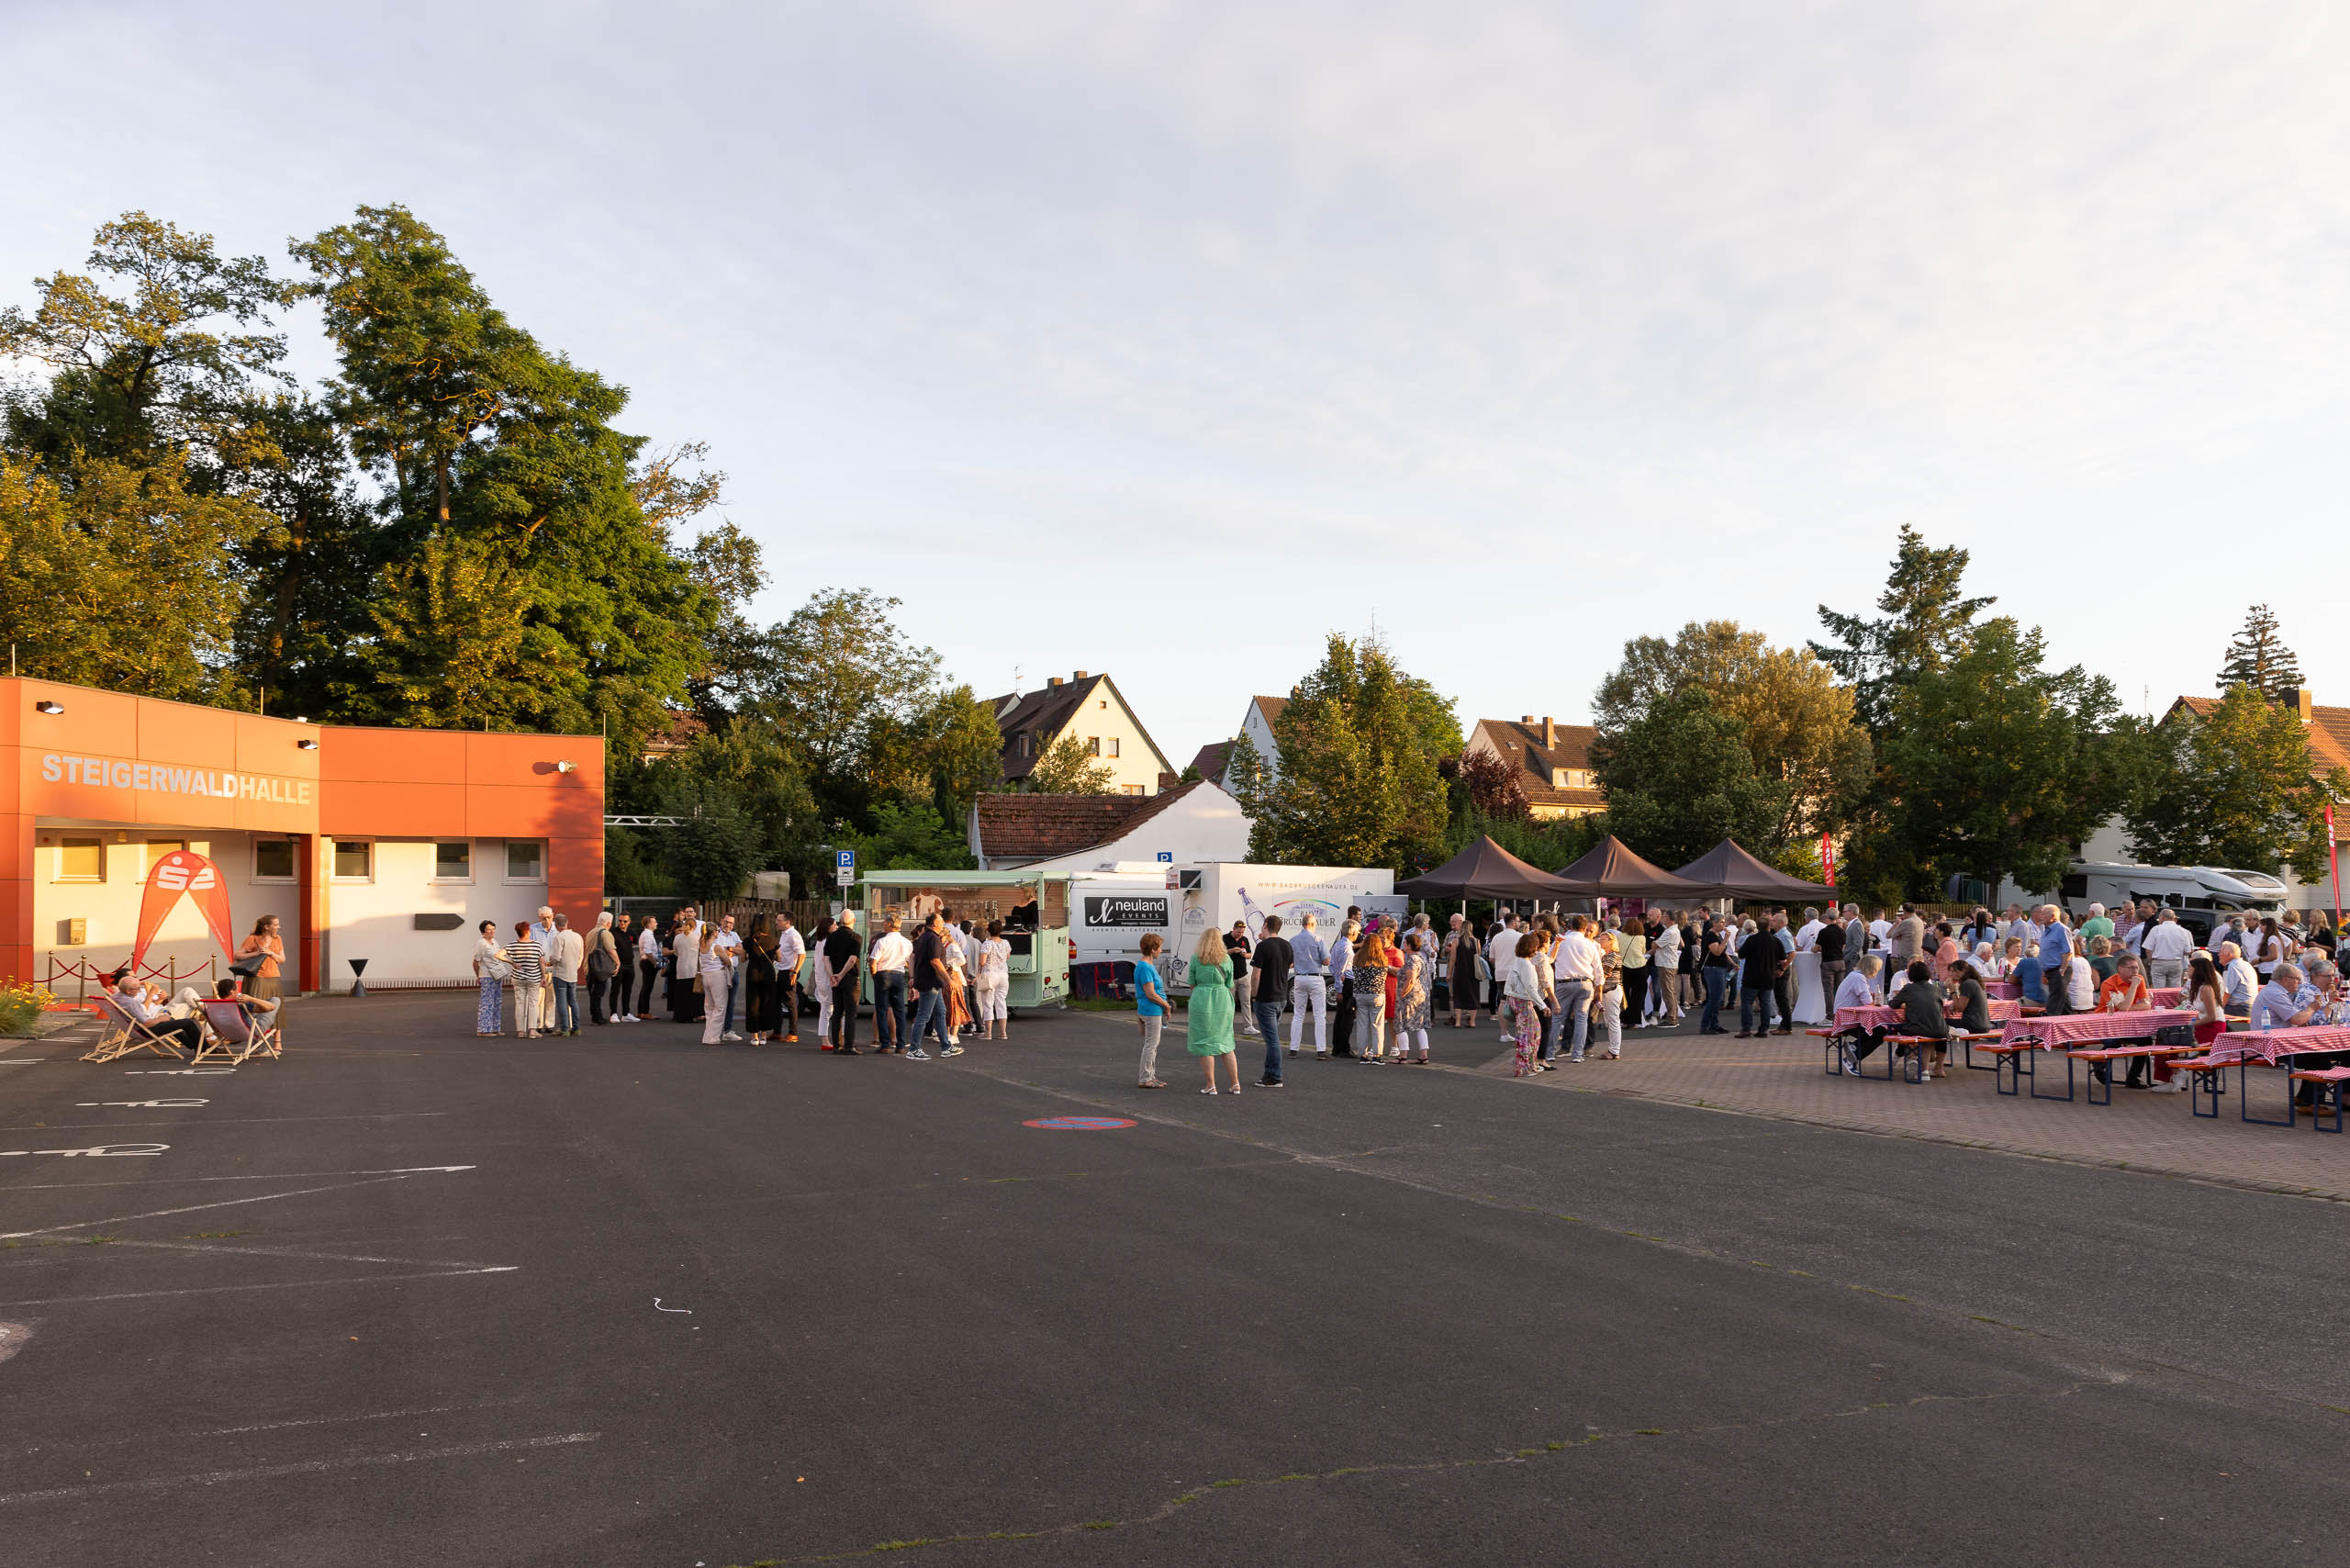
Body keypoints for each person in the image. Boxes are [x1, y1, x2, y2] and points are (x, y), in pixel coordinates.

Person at [1187, 926, 1242, 1093]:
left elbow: (1192, 983)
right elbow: (1230, 984)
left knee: (1205, 1043)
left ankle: (1211, 1085)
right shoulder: (1226, 959)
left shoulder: (1197, 958)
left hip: (1202, 999)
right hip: (1222, 999)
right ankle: (1235, 1083)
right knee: (1226, 1042)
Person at [905, 913, 959, 1060]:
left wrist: (913, 978)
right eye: (941, 921)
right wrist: (949, 980)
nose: (943, 923)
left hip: (929, 981)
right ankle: (914, 1049)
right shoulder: (933, 939)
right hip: (930, 982)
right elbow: (935, 961)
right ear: (935, 923)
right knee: (923, 1015)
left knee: (941, 1012)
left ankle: (946, 1047)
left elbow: (913, 957)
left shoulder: (923, 937)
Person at [112, 972, 206, 1056]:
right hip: (146, 1030)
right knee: (188, 1022)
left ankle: (194, 1046)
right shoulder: (131, 1002)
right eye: (137, 988)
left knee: (173, 1021)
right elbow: (146, 1023)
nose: (139, 990)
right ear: (128, 991)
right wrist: (161, 1019)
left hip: (134, 1029)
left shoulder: (117, 997)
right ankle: (205, 1048)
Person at [1249, 914, 1293, 1087]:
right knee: (1272, 1037)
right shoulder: (1287, 945)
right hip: (1281, 996)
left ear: (1266, 925)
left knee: (1272, 1040)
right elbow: (1290, 965)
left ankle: (1275, 1076)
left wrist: (1254, 995)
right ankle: (1269, 1073)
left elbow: (1256, 974)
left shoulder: (1263, 947)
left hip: (1266, 997)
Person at [1889, 960, 1952, 1079]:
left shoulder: (1909, 988)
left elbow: (1893, 1004)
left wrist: (1906, 1003)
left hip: (1918, 1028)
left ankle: (1911, 1058)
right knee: (1927, 1038)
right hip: (1940, 1029)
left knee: (1902, 1029)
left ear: (1911, 975)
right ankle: (1924, 1071)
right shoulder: (1935, 988)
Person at [1830, 955, 1887, 1076]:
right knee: (1880, 1033)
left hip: (1845, 1016)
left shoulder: (1854, 976)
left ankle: (1854, 1047)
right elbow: (1867, 1002)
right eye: (1876, 970)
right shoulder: (1859, 978)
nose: (1876, 973)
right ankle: (1853, 1057)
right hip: (1847, 1019)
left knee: (1877, 1031)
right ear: (1870, 968)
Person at [1504, 923, 1547, 1078]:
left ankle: (1520, 1065)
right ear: (1533, 948)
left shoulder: (1517, 961)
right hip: (1524, 1002)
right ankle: (1529, 1066)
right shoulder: (1527, 965)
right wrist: (1543, 1006)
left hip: (1515, 1000)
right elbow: (1530, 987)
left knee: (1523, 1034)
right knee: (1533, 1034)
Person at [868, 914, 913, 1053]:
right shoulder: (907, 943)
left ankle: (885, 1044)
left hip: (883, 974)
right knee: (899, 1011)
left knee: (882, 1010)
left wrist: (874, 975)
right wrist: (911, 977)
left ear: (889, 924)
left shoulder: (882, 941)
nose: (883, 923)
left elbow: (873, 962)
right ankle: (900, 1044)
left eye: (885, 922)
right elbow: (908, 962)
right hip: (899, 975)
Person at [1289, 913, 1330, 1058]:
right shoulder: (1319, 939)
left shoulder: (1293, 940)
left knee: (1298, 1014)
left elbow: (1290, 963)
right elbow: (1326, 961)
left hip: (1299, 977)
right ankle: (1321, 1050)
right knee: (1319, 1015)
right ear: (1312, 924)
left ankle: (1293, 1049)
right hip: (1315, 978)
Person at [822, 912, 864, 1054]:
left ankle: (836, 1045)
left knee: (837, 1012)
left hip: (835, 979)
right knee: (851, 1012)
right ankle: (849, 1046)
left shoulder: (831, 937)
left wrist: (832, 976)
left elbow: (826, 959)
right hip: (850, 978)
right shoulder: (856, 937)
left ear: (840, 921)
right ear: (853, 920)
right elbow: (852, 959)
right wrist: (841, 975)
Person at [1737, 919, 1785, 1038]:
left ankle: (1746, 1029)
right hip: (1768, 976)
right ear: (1770, 926)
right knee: (1765, 1004)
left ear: (1757, 926)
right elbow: (1783, 959)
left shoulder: (1751, 939)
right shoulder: (1775, 940)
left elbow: (1741, 954)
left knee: (1747, 1003)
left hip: (1751, 976)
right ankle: (1763, 1029)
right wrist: (1779, 969)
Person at [1135, 933, 1170, 1090]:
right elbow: (1150, 993)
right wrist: (1166, 1006)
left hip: (1152, 1009)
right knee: (1151, 1044)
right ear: (1153, 949)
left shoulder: (1146, 966)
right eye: (1160, 948)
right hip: (1151, 1010)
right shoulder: (1144, 967)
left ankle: (1150, 1076)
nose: (1161, 951)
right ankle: (1145, 1078)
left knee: (1153, 1044)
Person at [1394, 928, 1433, 1063]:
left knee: (1401, 1024)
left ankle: (1403, 1055)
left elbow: (1410, 979)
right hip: (1422, 994)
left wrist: (1402, 993)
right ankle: (1424, 1054)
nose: (1403, 945)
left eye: (1405, 943)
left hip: (1410, 996)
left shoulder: (1411, 960)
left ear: (1410, 945)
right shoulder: (1421, 958)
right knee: (1419, 1025)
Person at [743, 915, 781, 1046]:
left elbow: (743, 958)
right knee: (767, 1003)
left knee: (753, 1003)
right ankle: (764, 1036)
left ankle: (755, 1037)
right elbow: (780, 958)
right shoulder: (773, 940)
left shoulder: (748, 941)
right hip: (768, 974)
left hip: (753, 972)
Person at [505, 921, 547, 1037]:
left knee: (519, 1004)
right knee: (533, 1004)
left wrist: (511, 962)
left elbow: (498, 955)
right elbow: (542, 963)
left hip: (518, 978)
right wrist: (543, 977)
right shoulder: (537, 945)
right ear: (528, 931)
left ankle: (520, 1031)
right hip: (533, 978)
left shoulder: (512, 945)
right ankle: (532, 1031)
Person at [696, 922, 735, 1045]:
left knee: (709, 1007)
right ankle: (713, 1038)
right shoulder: (716, 946)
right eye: (718, 930)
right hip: (717, 976)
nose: (719, 932)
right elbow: (728, 961)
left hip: (705, 976)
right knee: (720, 1007)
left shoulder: (701, 945)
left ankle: (707, 1036)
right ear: (713, 932)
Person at [470, 918, 510, 1036]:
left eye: (493, 929)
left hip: (497, 974)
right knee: (487, 1002)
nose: (492, 932)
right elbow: (475, 961)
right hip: (486, 975)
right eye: (489, 930)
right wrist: (478, 976)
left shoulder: (495, 942)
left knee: (497, 1001)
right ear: (483, 931)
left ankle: (495, 1027)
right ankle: (483, 1030)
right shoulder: (481, 944)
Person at [973, 920, 1012, 1040]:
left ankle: (988, 1033)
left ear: (988, 930)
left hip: (990, 975)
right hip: (1003, 975)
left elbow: (983, 961)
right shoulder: (1006, 942)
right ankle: (1003, 1033)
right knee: (1001, 1002)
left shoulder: (987, 944)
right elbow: (1007, 956)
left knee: (988, 1003)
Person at [547, 913, 584, 1036]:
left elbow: (556, 957)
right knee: (573, 1001)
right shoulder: (578, 936)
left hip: (560, 973)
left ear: (556, 925)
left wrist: (550, 960)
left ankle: (564, 1028)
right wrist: (575, 967)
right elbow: (580, 956)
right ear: (567, 922)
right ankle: (577, 1027)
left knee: (561, 1001)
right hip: (572, 973)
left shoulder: (559, 937)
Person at [1486, 913, 1522, 1040]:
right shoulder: (1520, 937)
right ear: (1513, 922)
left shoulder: (1496, 937)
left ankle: (1503, 1033)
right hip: (1516, 973)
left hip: (1500, 972)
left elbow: (1491, 958)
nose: (1519, 923)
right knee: (1519, 1002)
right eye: (1518, 921)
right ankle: (1521, 1032)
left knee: (1503, 1001)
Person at [2140, 909, 2193, 990]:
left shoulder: (2156, 929)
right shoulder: (2183, 931)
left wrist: (2151, 962)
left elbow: (2148, 950)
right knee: (2174, 989)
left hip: (2159, 962)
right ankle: (2172, 1002)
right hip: (2176, 962)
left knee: (2159, 989)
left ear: (2163, 917)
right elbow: (2188, 951)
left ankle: (2160, 1002)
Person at [238, 914, 286, 1002]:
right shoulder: (252, 938)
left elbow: (282, 959)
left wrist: (271, 953)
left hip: (274, 977)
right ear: (266, 927)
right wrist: (256, 953)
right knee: (257, 1006)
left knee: (274, 1007)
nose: (279, 927)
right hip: (257, 977)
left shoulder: (277, 939)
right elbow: (237, 956)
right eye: (275, 925)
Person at [774, 913, 805, 1044]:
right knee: (776, 1002)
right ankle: (777, 1032)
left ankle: (793, 1033)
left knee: (790, 1002)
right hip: (782, 971)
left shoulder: (794, 935)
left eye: (779, 920)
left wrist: (795, 972)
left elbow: (801, 954)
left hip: (789, 972)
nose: (776, 923)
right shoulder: (784, 934)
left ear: (787, 922)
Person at [1445, 913, 1479, 1028]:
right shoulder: (1476, 941)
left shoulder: (1456, 941)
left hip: (1460, 972)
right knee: (1473, 995)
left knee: (1458, 995)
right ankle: (1472, 1021)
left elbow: (1452, 959)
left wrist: (1449, 973)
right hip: (1473, 973)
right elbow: (1478, 957)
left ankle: (1458, 1021)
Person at [1617, 916, 1649, 1034]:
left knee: (1623, 994)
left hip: (1624, 968)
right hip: (1640, 968)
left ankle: (1624, 1020)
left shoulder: (1619, 936)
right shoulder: (1642, 938)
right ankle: (1634, 1022)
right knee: (1638, 995)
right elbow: (1643, 952)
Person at [588, 913, 621, 1025]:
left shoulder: (590, 932)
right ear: (608, 923)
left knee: (593, 993)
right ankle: (598, 1017)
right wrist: (618, 963)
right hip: (600, 967)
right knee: (598, 992)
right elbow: (611, 950)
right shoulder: (605, 933)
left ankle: (595, 1015)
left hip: (589, 966)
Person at [1226, 920, 1258, 1036]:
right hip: (1230, 977)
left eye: (1242, 932)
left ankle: (1248, 1026)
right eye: (1238, 932)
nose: (1240, 934)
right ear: (1233, 929)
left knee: (1246, 1002)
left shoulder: (1245, 940)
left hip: (1243, 975)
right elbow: (1219, 953)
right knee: (1230, 1003)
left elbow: (1250, 955)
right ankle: (1228, 1026)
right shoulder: (1225, 938)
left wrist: (1245, 954)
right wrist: (1231, 951)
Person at [668, 909, 700, 1024]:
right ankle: (692, 1015)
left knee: (681, 994)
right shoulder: (697, 937)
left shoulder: (677, 938)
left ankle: (680, 1015)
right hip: (692, 969)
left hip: (681, 969)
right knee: (692, 995)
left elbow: (676, 952)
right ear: (694, 927)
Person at [632, 914, 662, 1022]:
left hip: (646, 962)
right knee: (647, 988)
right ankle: (644, 1012)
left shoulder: (646, 934)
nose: (656, 923)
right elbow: (648, 951)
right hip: (648, 963)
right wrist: (655, 963)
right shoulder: (648, 935)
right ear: (649, 924)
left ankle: (641, 1011)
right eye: (654, 922)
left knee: (645, 988)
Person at [1815, 913, 1848, 1008]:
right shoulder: (1842, 931)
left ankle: (1829, 1016)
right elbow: (1843, 947)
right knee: (1840, 989)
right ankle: (1840, 1012)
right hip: (1841, 961)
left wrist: (1818, 949)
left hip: (1828, 962)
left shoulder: (1823, 931)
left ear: (1827, 919)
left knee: (1828, 990)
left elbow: (1816, 948)